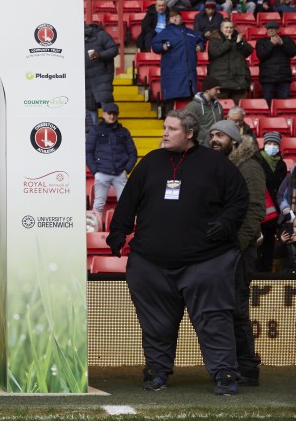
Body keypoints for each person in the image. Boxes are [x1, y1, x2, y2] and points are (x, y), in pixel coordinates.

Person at [106, 110, 247, 395]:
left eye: (171, 129)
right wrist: (118, 232)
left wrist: (225, 223)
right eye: (164, 128)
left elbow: (239, 199)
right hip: (151, 263)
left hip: (207, 261)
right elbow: (128, 201)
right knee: (156, 325)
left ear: (190, 133)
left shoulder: (216, 164)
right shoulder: (150, 163)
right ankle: (157, 372)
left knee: (214, 320)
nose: (165, 133)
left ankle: (225, 373)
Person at [207, 121, 265, 387]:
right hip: (223, 249)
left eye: (220, 135)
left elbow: (255, 212)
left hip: (240, 250)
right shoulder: (220, 166)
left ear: (233, 140)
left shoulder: (249, 166)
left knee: (237, 308)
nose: (214, 139)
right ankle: (233, 363)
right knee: (225, 308)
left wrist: (237, 248)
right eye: (211, 135)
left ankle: (247, 367)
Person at [86, 103, 138, 213]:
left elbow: (133, 153)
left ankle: (124, 230)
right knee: (98, 206)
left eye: (115, 114)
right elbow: (88, 152)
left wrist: (126, 170)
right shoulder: (95, 130)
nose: (112, 116)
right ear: (103, 114)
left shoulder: (124, 132)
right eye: (109, 113)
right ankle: (96, 230)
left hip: (120, 174)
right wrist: (95, 172)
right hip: (102, 173)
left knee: (126, 206)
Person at [154, 11, 205, 113]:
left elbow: (201, 39)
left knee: (190, 102)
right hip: (172, 73)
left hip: (189, 73)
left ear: (181, 17)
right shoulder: (164, 33)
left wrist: (200, 46)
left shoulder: (190, 32)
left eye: (177, 16)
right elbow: (155, 46)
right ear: (169, 19)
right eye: (172, 17)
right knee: (171, 101)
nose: (175, 19)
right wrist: (163, 47)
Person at [258, 132, 287, 272]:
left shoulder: (281, 164)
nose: (272, 146)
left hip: (274, 211)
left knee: (269, 245)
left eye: (275, 144)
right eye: (269, 143)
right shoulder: (257, 161)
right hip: (259, 209)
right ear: (264, 145)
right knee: (257, 245)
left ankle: (266, 272)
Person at [207, 21, 253, 103]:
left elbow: (249, 51)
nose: (229, 29)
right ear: (221, 29)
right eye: (226, 27)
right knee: (220, 109)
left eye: (231, 27)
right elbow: (214, 53)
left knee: (238, 110)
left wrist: (240, 43)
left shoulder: (239, 38)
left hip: (239, 81)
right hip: (221, 82)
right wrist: (228, 41)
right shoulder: (214, 39)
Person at [84, 22, 119, 127]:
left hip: (102, 77)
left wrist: (99, 55)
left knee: (107, 106)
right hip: (86, 81)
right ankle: (94, 134)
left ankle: (109, 132)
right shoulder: (72, 39)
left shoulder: (101, 35)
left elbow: (114, 49)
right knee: (90, 109)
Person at [255, 21, 296, 105]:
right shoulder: (261, 41)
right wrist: (271, 44)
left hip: (284, 78)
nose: (270, 30)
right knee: (267, 102)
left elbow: (293, 53)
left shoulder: (286, 39)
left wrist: (282, 44)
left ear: (278, 30)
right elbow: (261, 55)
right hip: (267, 78)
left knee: (284, 103)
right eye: (268, 29)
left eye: (273, 29)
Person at [185, 75, 223, 146]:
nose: (219, 92)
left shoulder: (218, 106)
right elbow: (186, 127)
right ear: (207, 90)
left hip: (217, 145)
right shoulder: (192, 106)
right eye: (216, 89)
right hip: (200, 146)